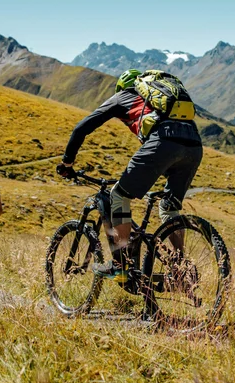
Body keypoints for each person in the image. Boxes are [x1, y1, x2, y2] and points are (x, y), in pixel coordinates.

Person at [57, 69, 203, 280]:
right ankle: (181, 266)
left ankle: (121, 264)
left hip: (164, 141)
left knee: (119, 196)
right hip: (194, 145)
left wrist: (67, 162)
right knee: (169, 208)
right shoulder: (160, 99)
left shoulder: (123, 95)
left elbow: (82, 128)